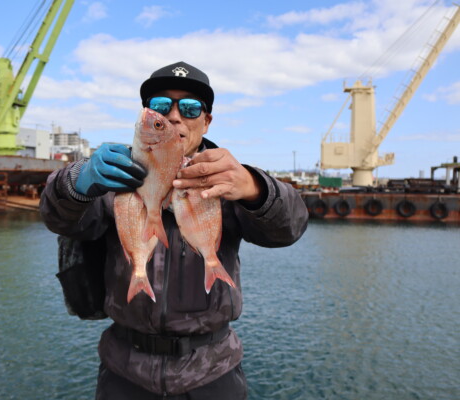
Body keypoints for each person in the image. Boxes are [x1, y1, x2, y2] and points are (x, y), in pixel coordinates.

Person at [40, 61, 309, 399]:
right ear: (146, 115)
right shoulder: (115, 178)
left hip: (213, 372)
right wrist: (74, 182)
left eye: (191, 107)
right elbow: (58, 219)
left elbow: (291, 228)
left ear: (207, 120)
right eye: (161, 106)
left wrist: (257, 188)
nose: (176, 116)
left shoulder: (227, 181)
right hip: (124, 370)